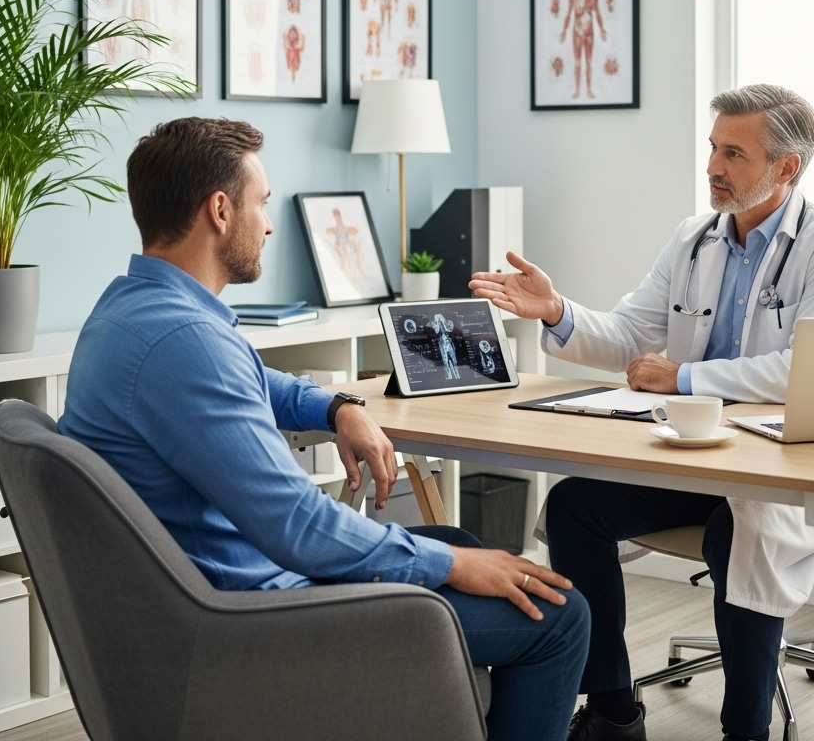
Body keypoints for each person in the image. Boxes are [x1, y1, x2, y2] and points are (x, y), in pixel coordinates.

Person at [59, 117, 590, 741]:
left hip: (208, 580)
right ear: (221, 210)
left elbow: (258, 382)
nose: (270, 222)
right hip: (251, 611)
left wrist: (338, 406)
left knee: (462, 540)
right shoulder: (185, 340)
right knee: (561, 614)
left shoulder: (132, 307)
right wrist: (450, 564)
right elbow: (300, 530)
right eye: (262, 203)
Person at [470, 84, 814, 741]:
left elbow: (810, 371)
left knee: (737, 531)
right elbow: (630, 335)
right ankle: (613, 708)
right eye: (713, 148)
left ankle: (746, 731)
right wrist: (556, 310)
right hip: (700, 460)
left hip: (788, 470)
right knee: (575, 507)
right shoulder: (694, 240)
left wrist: (683, 377)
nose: (713, 166)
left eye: (734, 153)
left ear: (786, 168)